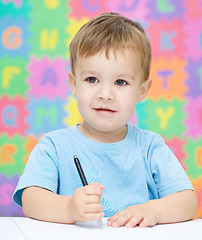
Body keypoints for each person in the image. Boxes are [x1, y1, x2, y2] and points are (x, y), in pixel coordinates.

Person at [13, 12, 197, 228]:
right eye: (92, 79)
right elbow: (31, 199)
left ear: (143, 90)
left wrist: (154, 210)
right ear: (74, 83)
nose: (105, 94)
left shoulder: (150, 148)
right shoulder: (53, 146)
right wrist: (68, 208)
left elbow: (188, 201)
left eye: (120, 82)